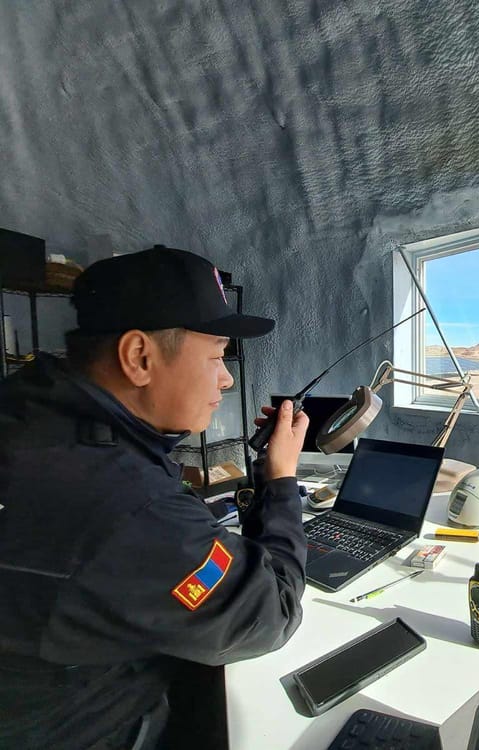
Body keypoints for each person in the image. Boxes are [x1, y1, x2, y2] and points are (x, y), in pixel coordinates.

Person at [0, 245, 309, 749]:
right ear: (139, 357)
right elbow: (270, 613)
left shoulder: (34, 414)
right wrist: (280, 480)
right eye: (214, 355)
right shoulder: (126, 504)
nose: (227, 376)